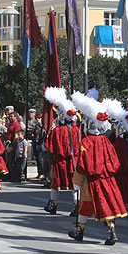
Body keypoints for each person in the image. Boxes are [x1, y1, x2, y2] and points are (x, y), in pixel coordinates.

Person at [68, 93, 127, 244]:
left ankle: (80, 231)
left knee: (84, 207)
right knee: (106, 206)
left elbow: (82, 164)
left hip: (91, 181)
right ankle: (111, 230)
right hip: (107, 180)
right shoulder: (106, 141)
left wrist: (77, 181)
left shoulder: (86, 141)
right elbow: (115, 162)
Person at [43, 87, 81, 216]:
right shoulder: (77, 130)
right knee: (74, 184)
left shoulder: (56, 131)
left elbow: (49, 146)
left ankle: (53, 205)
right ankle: (76, 207)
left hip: (60, 161)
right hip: (74, 161)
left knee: (55, 183)